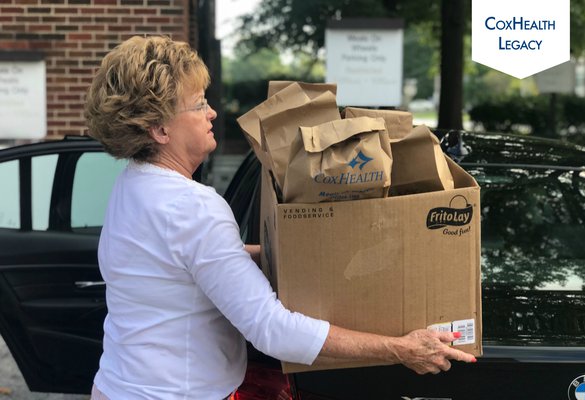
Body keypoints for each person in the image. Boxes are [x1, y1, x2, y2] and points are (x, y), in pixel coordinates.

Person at [84, 35, 475, 400]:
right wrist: (401, 348)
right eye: (199, 104)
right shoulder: (191, 207)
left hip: (118, 385)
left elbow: (198, 264)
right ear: (159, 129)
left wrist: (306, 250)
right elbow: (272, 330)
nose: (212, 112)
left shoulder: (132, 185)